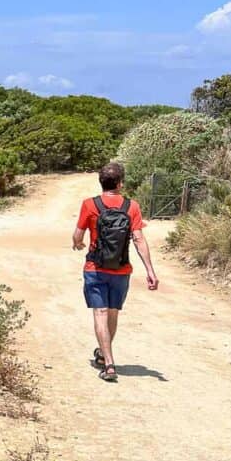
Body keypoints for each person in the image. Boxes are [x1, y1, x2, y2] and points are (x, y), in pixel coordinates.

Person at [72, 162, 158, 381]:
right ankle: (104, 354)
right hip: (121, 269)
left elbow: (77, 236)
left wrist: (79, 244)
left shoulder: (90, 205)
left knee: (99, 313)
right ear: (120, 183)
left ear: (101, 182)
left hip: (95, 268)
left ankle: (108, 363)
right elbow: (139, 239)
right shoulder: (132, 207)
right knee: (112, 313)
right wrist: (150, 270)